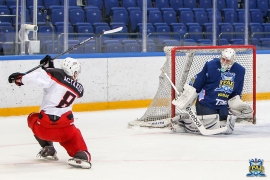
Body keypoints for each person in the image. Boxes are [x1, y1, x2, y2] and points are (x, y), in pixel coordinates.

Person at [8, 56, 91, 169]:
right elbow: (61, 81)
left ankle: (48, 147)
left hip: (44, 129)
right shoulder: (79, 88)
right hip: (66, 131)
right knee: (78, 142)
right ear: (74, 72)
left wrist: (19, 78)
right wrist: (50, 67)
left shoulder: (52, 75)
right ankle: (82, 156)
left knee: (32, 117)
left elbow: (39, 78)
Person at [170, 48, 253, 135]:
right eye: (223, 59)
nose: (224, 62)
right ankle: (182, 122)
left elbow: (236, 91)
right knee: (210, 122)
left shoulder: (240, 70)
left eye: (227, 61)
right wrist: (187, 96)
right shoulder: (211, 65)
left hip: (222, 104)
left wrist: (236, 103)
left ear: (233, 60)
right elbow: (198, 82)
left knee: (223, 123)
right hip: (206, 102)